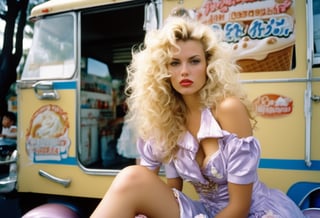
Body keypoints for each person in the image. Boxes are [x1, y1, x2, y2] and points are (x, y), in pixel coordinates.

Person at [91, 15, 305, 218]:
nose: (184, 71)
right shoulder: (162, 119)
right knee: (131, 176)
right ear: (162, 71)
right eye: (175, 63)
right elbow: (168, 190)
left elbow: (240, 207)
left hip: (249, 212)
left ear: (208, 66)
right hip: (205, 211)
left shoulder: (228, 109)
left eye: (194, 61)